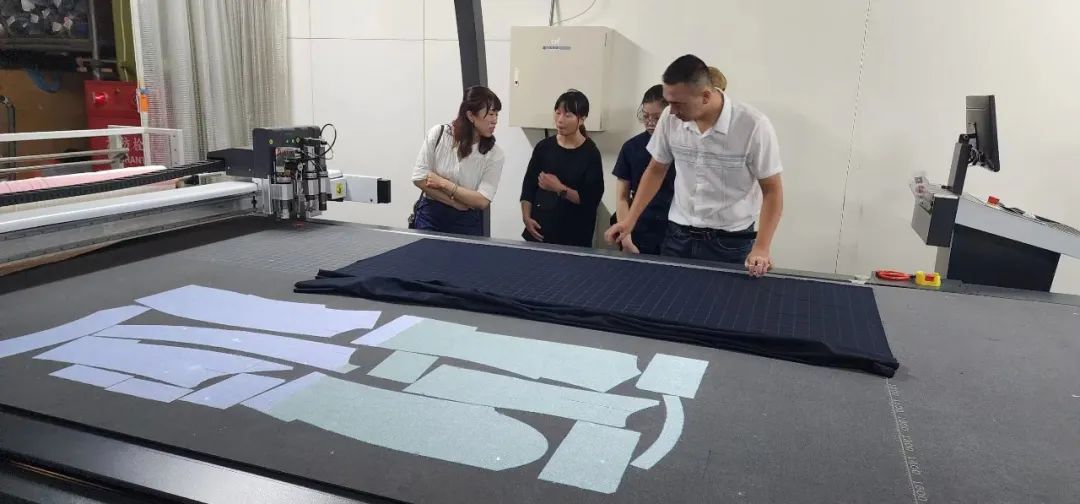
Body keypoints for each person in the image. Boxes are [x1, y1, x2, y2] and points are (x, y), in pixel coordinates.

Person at [605, 55, 784, 277]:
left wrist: (762, 247)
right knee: (669, 296)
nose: (671, 111)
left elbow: (772, 190)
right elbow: (656, 169)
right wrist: (630, 220)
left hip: (730, 241)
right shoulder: (670, 119)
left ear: (706, 96)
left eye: (678, 104)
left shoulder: (753, 125)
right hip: (678, 236)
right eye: (669, 102)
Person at [410, 85, 505, 236]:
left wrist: (443, 183)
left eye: (497, 115)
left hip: (466, 221)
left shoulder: (494, 154)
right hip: (430, 216)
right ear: (470, 116)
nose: (495, 121)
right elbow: (419, 178)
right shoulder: (439, 134)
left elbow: (482, 200)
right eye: (490, 114)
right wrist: (454, 202)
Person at [520, 90, 604, 248]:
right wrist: (526, 218)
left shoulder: (590, 153)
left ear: (582, 119)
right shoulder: (544, 147)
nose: (560, 120)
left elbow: (591, 200)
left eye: (568, 115)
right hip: (539, 234)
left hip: (574, 238)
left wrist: (559, 188)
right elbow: (528, 186)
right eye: (558, 113)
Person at [611, 85, 676, 255]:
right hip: (639, 228)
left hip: (673, 231)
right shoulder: (631, 148)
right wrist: (625, 236)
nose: (650, 122)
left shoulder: (680, 147)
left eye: (657, 117)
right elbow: (622, 197)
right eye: (646, 116)